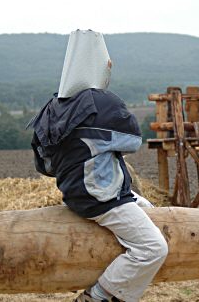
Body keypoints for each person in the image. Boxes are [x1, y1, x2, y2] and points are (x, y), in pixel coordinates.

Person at [27, 29, 168, 302]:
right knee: (153, 248)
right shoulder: (102, 103)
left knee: (148, 207)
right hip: (101, 197)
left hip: (73, 192)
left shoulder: (52, 105)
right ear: (101, 65)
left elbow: (45, 164)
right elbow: (132, 142)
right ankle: (98, 295)